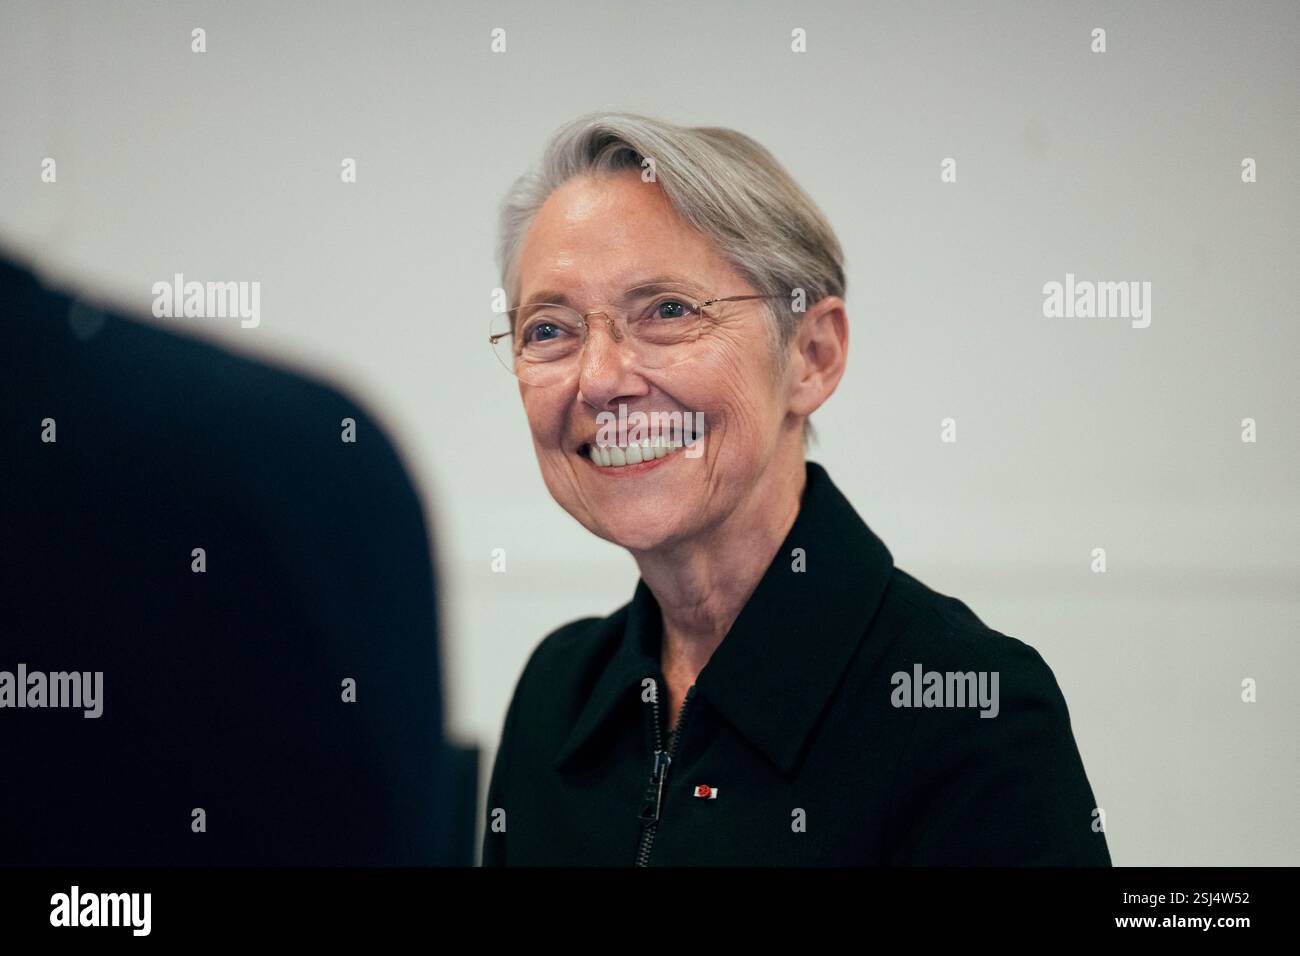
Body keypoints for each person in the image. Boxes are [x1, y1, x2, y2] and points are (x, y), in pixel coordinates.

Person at [481, 113, 1110, 866]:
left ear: (812, 355)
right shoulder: (558, 695)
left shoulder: (967, 709)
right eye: (549, 329)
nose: (601, 379)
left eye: (669, 311)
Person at [0, 250, 462, 865]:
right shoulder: (303, 451)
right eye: (547, 329)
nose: (602, 377)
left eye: (642, 315)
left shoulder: (295, 456)